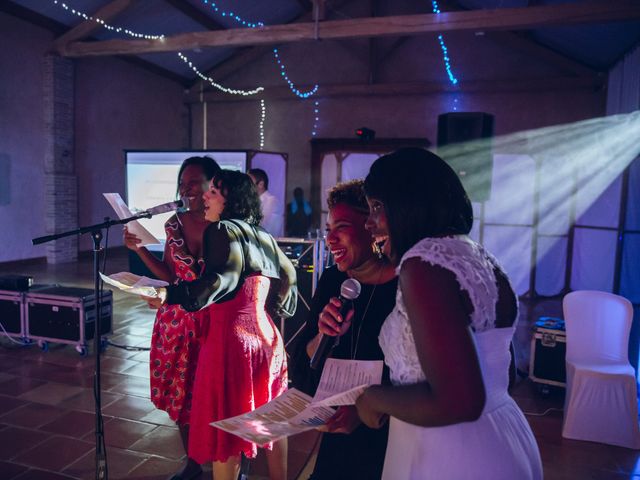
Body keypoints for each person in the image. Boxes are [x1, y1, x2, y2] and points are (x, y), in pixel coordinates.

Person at [355, 147, 543, 479]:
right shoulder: (476, 255)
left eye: (377, 207)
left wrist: (373, 398)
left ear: (409, 203)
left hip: (450, 452)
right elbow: (506, 373)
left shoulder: (423, 265)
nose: (369, 222)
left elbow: (459, 401)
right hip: (502, 432)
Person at [155, 170, 297, 480]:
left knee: (227, 432)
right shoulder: (263, 236)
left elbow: (223, 279)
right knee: (273, 421)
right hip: (267, 340)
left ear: (230, 200)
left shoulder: (221, 229)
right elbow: (289, 276)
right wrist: (275, 304)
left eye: (214, 193)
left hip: (230, 343)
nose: (205, 196)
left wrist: (170, 294)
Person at [291, 180, 397, 480]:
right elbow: (302, 367)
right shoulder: (330, 282)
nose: (331, 239)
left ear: (372, 227)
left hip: (391, 432)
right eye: (328, 230)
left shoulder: (405, 284)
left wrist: (365, 413)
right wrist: (323, 335)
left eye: (342, 227)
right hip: (338, 436)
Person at [124, 155, 220, 480]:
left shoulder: (227, 225)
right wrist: (139, 251)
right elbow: (169, 274)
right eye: (182, 182)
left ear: (212, 184)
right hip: (176, 323)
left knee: (219, 395)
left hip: (213, 323)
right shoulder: (173, 224)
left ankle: (233, 462)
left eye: (193, 182)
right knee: (181, 397)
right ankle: (193, 463)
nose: (186, 188)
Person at [248, 168, 283, 237]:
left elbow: (261, 225)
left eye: (249, 183)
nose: (246, 185)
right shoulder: (254, 200)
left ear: (261, 184)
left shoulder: (271, 200)